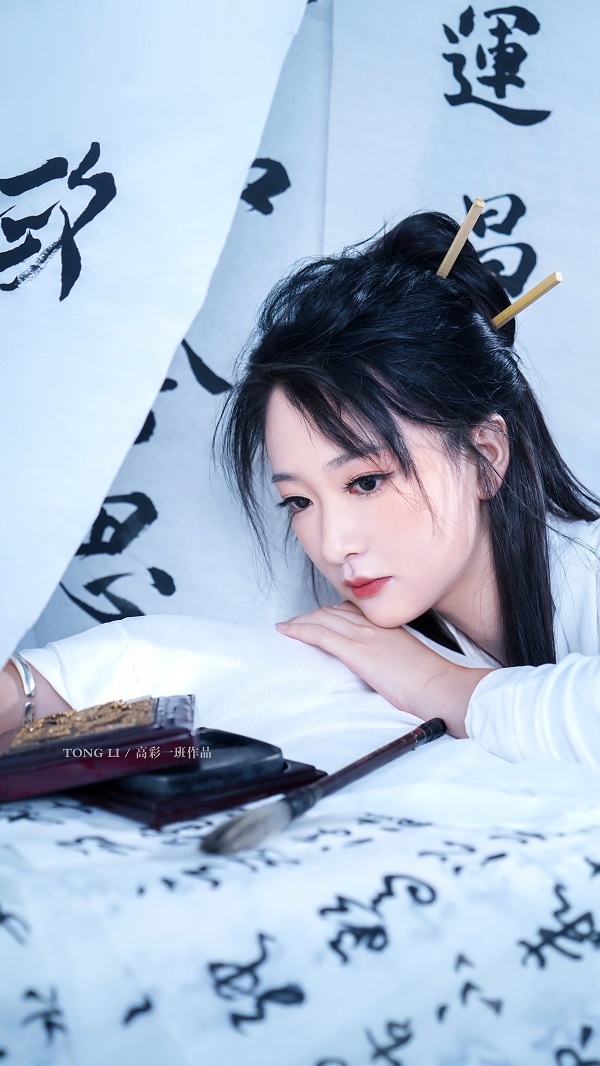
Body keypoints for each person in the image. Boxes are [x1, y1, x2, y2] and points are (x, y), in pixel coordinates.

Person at [2, 211, 600, 764]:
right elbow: (218, 668)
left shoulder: (583, 576)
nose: (333, 545)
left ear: (485, 456)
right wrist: (28, 690)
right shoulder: (391, 639)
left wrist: (437, 684)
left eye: (366, 480)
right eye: (299, 501)